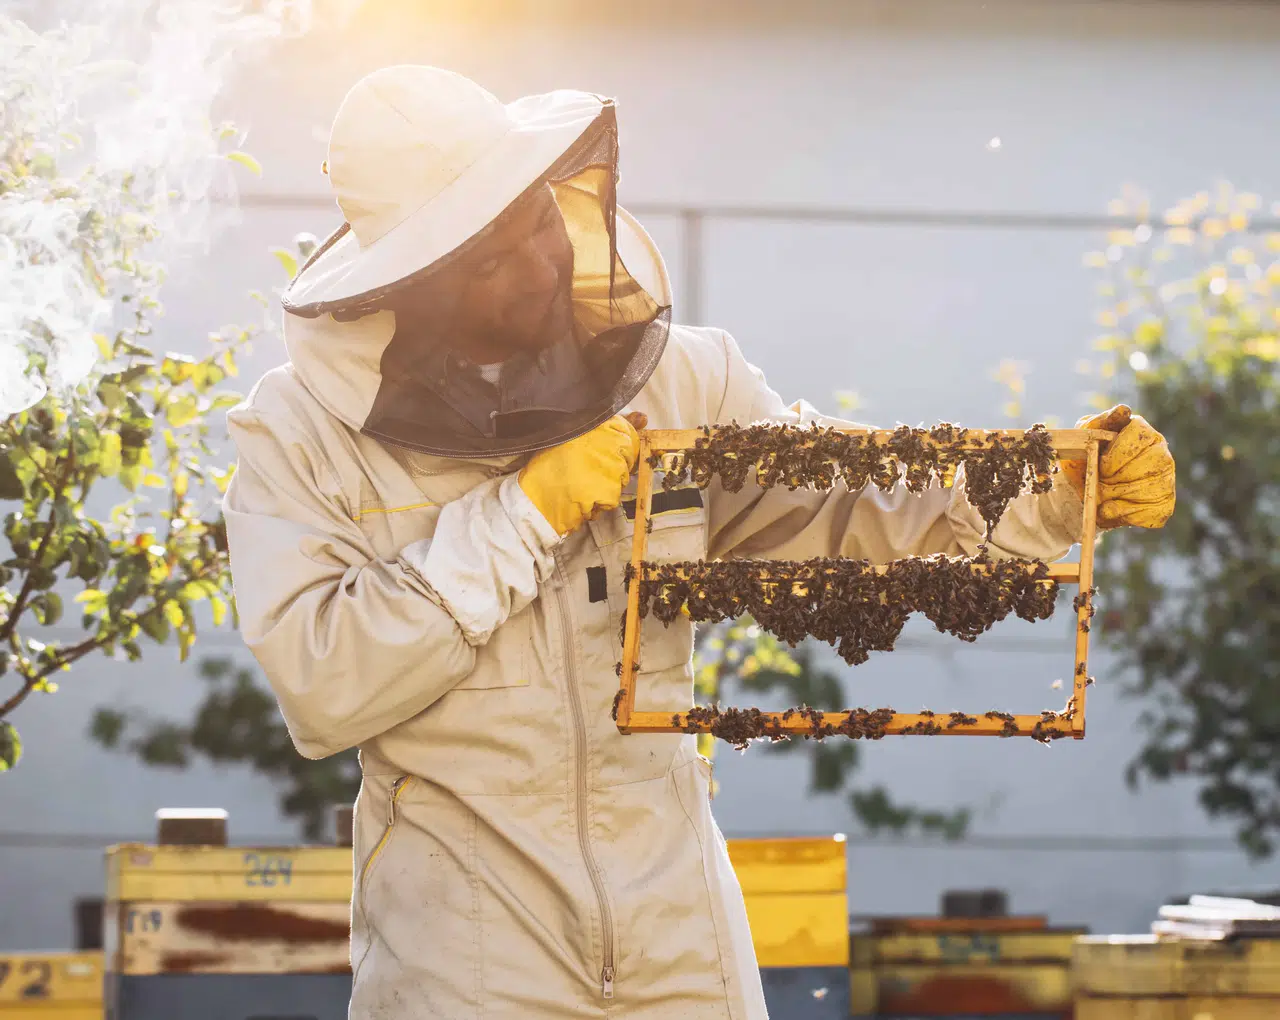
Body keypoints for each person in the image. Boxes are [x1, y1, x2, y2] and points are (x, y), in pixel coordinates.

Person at [223, 64, 1176, 1019]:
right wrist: (523, 515)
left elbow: (848, 504)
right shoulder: (298, 436)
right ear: (414, 282)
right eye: (491, 257)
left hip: (678, 938)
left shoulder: (683, 381)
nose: (544, 261)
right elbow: (324, 683)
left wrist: (1049, 495)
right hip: (463, 961)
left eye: (541, 220)